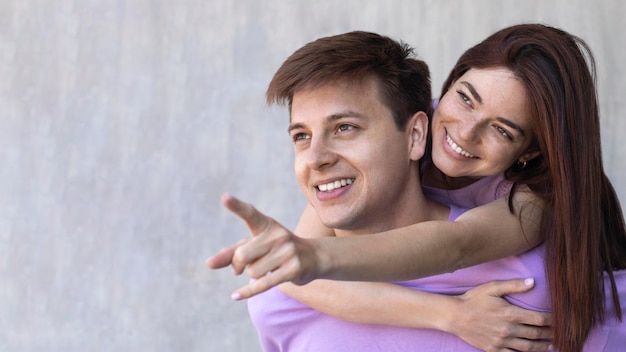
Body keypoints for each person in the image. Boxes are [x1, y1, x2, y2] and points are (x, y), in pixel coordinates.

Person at [208, 24, 626, 352]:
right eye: (465, 98)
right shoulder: (414, 123)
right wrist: (450, 314)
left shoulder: (538, 199)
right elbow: (309, 270)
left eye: (501, 129)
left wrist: (309, 257)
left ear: (530, 152)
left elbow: (456, 245)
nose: (463, 132)